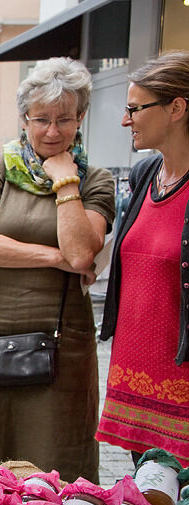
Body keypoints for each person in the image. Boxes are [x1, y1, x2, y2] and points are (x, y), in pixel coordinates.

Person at [0, 58, 114, 482]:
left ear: (81, 117)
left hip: (63, 348)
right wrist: (52, 257)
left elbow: (80, 253)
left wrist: (65, 183)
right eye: (41, 119)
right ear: (24, 118)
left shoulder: (94, 180)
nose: (53, 131)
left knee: (55, 472)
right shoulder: (0, 168)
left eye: (65, 119)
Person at [98, 51, 189, 465]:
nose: (125, 120)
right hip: (136, 374)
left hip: (181, 379)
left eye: (135, 108)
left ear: (176, 108)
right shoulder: (144, 175)